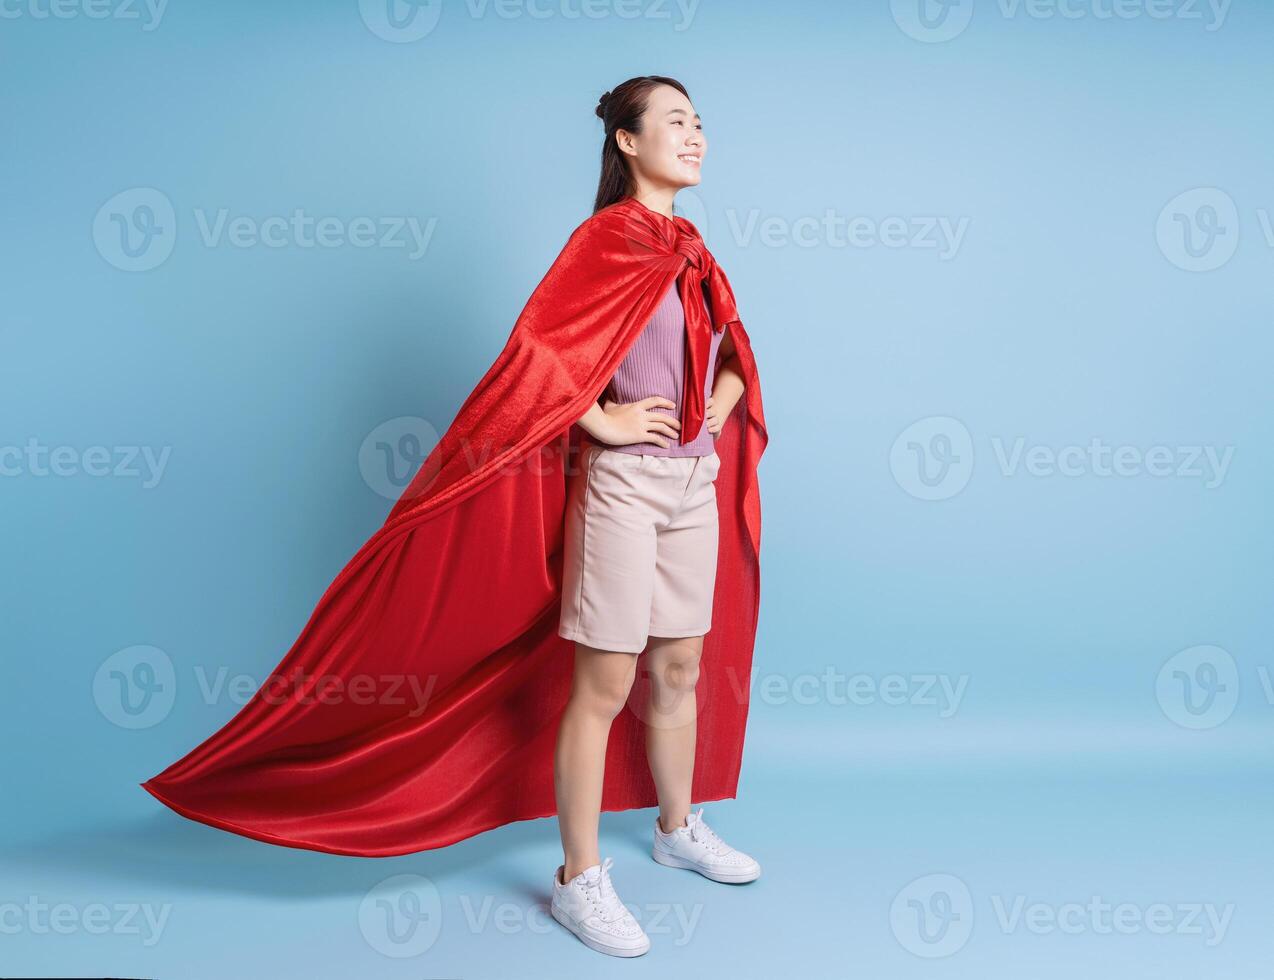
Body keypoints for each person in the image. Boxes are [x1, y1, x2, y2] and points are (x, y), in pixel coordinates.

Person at [548, 75, 759, 959]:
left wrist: (724, 396)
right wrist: (602, 419)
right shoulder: (605, 240)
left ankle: (676, 829)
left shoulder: (693, 246)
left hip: (692, 480)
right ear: (629, 142)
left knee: (678, 665)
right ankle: (578, 881)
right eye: (676, 121)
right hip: (626, 485)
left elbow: (735, 351)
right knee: (605, 680)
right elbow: (541, 352)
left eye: (701, 122)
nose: (696, 134)